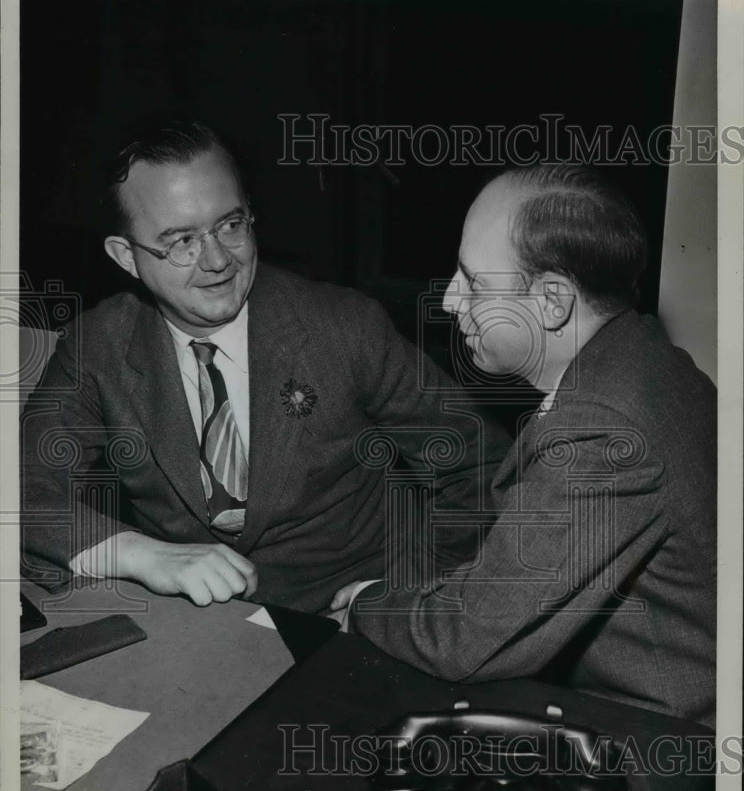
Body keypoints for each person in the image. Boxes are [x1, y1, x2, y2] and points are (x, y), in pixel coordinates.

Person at [21, 119, 509, 613]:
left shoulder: (343, 327)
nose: (216, 261)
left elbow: (484, 469)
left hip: (348, 615)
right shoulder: (97, 345)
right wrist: (143, 556)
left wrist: (407, 598)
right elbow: (20, 491)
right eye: (181, 241)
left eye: (230, 226)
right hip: (192, 624)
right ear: (126, 257)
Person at [341, 164, 716, 727]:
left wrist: (365, 602)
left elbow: (466, 642)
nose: (448, 300)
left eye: (474, 282)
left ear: (551, 301)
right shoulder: (649, 357)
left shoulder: (601, 432)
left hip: (661, 736)